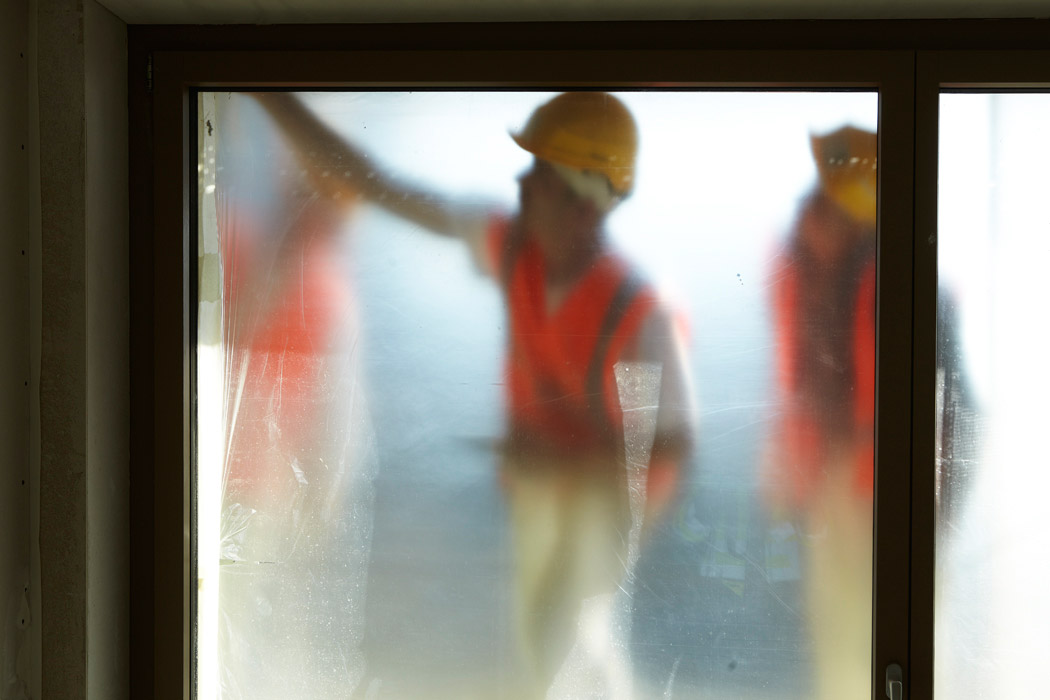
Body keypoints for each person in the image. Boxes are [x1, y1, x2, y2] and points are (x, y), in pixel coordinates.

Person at [254, 91, 697, 698]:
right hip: (542, 481)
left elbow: (668, 445)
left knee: (566, 637)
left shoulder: (637, 312)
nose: (521, 182)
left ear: (582, 204)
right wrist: (275, 101)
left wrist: (560, 461)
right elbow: (383, 188)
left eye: (540, 174)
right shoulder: (513, 248)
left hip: (608, 497)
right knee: (550, 641)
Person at [762, 125, 877, 700]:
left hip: (882, 492)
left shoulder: (896, 286)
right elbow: (794, 384)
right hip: (831, 481)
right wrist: (788, 465)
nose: (807, 212)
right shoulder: (802, 275)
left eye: (825, 202)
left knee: (880, 631)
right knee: (834, 632)